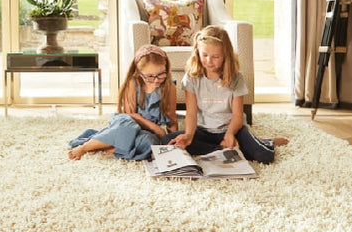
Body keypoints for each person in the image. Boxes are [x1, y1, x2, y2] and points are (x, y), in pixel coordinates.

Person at [168, 25, 288, 164]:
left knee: (264, 156)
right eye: (204, 55)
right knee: (168, 141)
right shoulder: (191, 78)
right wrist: (188, 135)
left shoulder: (236, 79)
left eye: (215, 57)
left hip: (232, 129)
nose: (209, 61)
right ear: (197, 53)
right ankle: (224, 149)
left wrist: (230, 134)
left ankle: (265, 141)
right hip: (203, 131)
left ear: (226, 55)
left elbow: (237, 116)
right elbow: (191, 114)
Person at [68, 44, 179, 161]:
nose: (156, 80)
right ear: (139, 73)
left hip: (147, 131)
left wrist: (173, 141)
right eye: (150, 76)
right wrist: (157, 128)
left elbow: (171, 118)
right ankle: (85, 147)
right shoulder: (133, 83)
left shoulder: (169, 86)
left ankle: (106, 146)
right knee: (128, 128)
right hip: (128, 121)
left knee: (150, 142)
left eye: (161, 74)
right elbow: (131, 115)